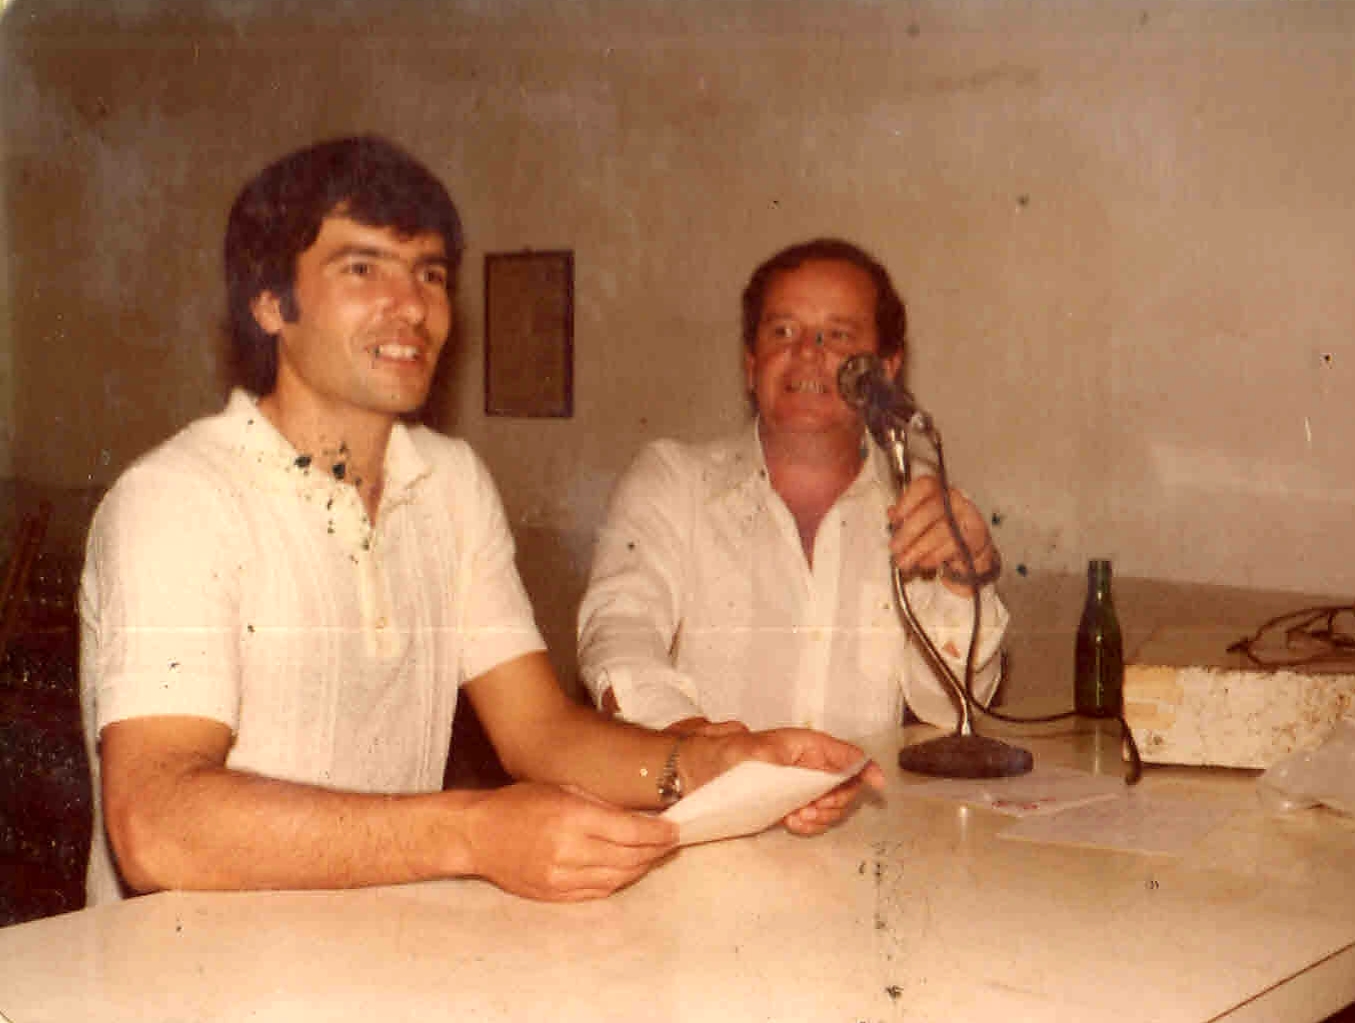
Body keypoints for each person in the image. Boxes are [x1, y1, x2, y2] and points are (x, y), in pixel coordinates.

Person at [77, 137, 879, 907]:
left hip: (379, 951)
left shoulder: (450, 483)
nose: (412, 305)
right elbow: (156, 824)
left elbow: (539, 732)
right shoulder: (181, 499)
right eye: (363, 268)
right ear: (268, 301)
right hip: (191, 971)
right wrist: (473, 831)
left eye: (429, 273)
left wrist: (719, 760)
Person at [577, 238, 1009, 741]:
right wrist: (704, 746)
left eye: (838, 335)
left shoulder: (920, 502)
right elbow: (618, 632)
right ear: (751, 363)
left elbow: (950, 708)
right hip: (699, 784)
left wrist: (966, 578)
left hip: (865, 793)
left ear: (887, 370)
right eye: (782, 331)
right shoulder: (673, 481)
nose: (806, 352)